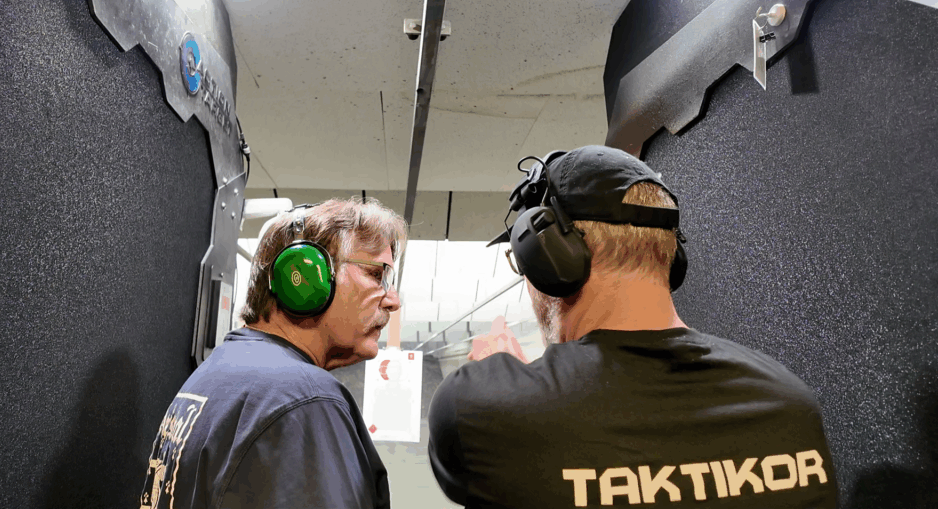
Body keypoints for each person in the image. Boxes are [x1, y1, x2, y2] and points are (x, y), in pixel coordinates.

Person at [427, 145, 839, 508]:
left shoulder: (479, 409)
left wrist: (498, 374)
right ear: (672, 258)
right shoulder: (790, 404)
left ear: (550, 259)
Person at [140, 198, 406, 509]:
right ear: (305, 276)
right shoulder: (305, 399)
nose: (393, 301)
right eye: (376, 274)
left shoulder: (215, 373)